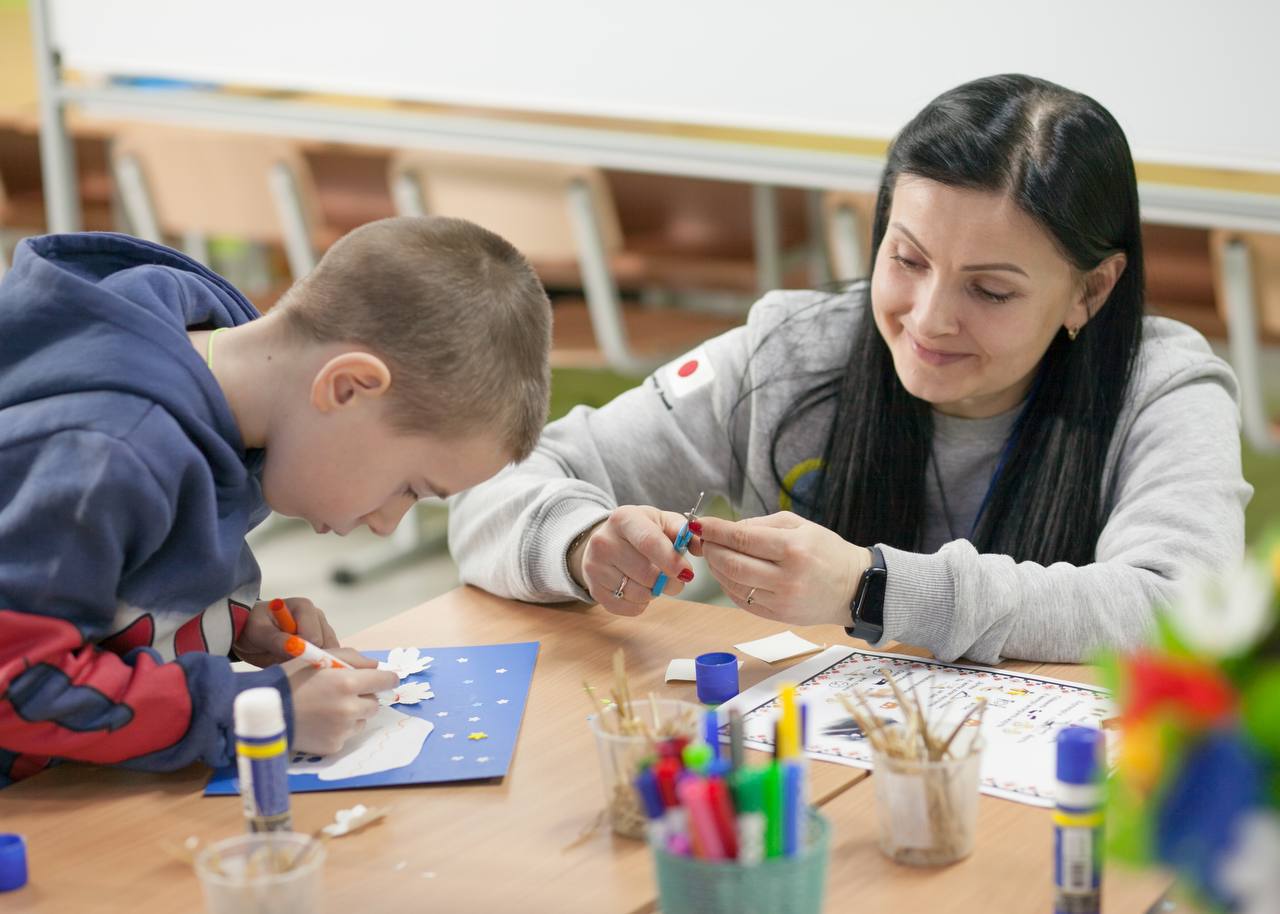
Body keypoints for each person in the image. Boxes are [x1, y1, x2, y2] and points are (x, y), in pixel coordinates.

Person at [448, 74, 1251, 665]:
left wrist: (872, 588)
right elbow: (491, 481)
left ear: (1092, 289)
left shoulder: (1161, 386)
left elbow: (1183, 612)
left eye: (991, 290)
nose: (929, 317)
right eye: (906, 259)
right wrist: (582, 538)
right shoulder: (792, 353)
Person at [0, 215, 551, 786]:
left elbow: (97, 594)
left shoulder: (240, 417)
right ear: (346, 388)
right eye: (409, 488)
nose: (388, 526)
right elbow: (17, 682)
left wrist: (225, 626)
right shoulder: (109, 448)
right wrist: (256, 713)